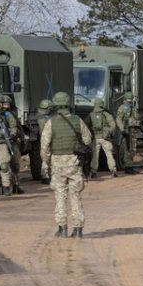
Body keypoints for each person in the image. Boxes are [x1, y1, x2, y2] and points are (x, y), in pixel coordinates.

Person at [40, 92, 92, 238]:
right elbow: (88, 140)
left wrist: (46, 161)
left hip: (57, 164)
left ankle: (62, 229)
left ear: (55, 105)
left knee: (60, 196)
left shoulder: (51, 123)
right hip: (74, 162)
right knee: (75, 195)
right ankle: (78, 230)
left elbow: (44, 146)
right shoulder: (77, 120)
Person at [1, 93, 25, 194]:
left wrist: (17, 136)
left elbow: (19, 129)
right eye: (4, 104)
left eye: (8, 104)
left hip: (13, 142)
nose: (6, 106)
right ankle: (6, 187)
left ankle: (16, 185)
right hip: (1, 143)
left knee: (15, 165)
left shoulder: (12, 114)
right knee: (5, 165)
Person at [89, 99, 118, 178]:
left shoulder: (91, 115)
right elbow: (113, 125)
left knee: (95, 155)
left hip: (95, 138)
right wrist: (107, 133)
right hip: (105, 138)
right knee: (109, 154)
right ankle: (113, 170)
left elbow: (86, 125)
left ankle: (93, 172)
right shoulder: (106, 114)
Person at [115, 92, 140, 174]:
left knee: (133, 149)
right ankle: (128, 167)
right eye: (128, 100)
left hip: (133, 131)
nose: (130, 102)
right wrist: (122, 130)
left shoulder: (132, 107)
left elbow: (135, 118)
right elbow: (118, 119)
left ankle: (130, 166)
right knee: (128, 149)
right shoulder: (123, 108)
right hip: (127, 131)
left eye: (130, 100)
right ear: (125, 99)